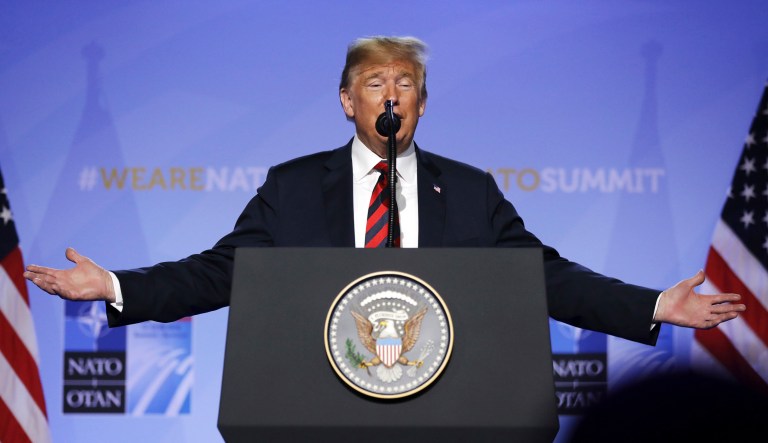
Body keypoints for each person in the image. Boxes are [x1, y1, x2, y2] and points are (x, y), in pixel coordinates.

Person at [24, 36, 744, 344]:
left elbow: (543, 277)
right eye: (375, 82)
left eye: (406, 83)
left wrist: (655, 304)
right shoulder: (295, 186)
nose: (391, 93)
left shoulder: (467, 192)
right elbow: (221, 272)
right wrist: (115, 284)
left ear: (423, 105)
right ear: (346, 101)